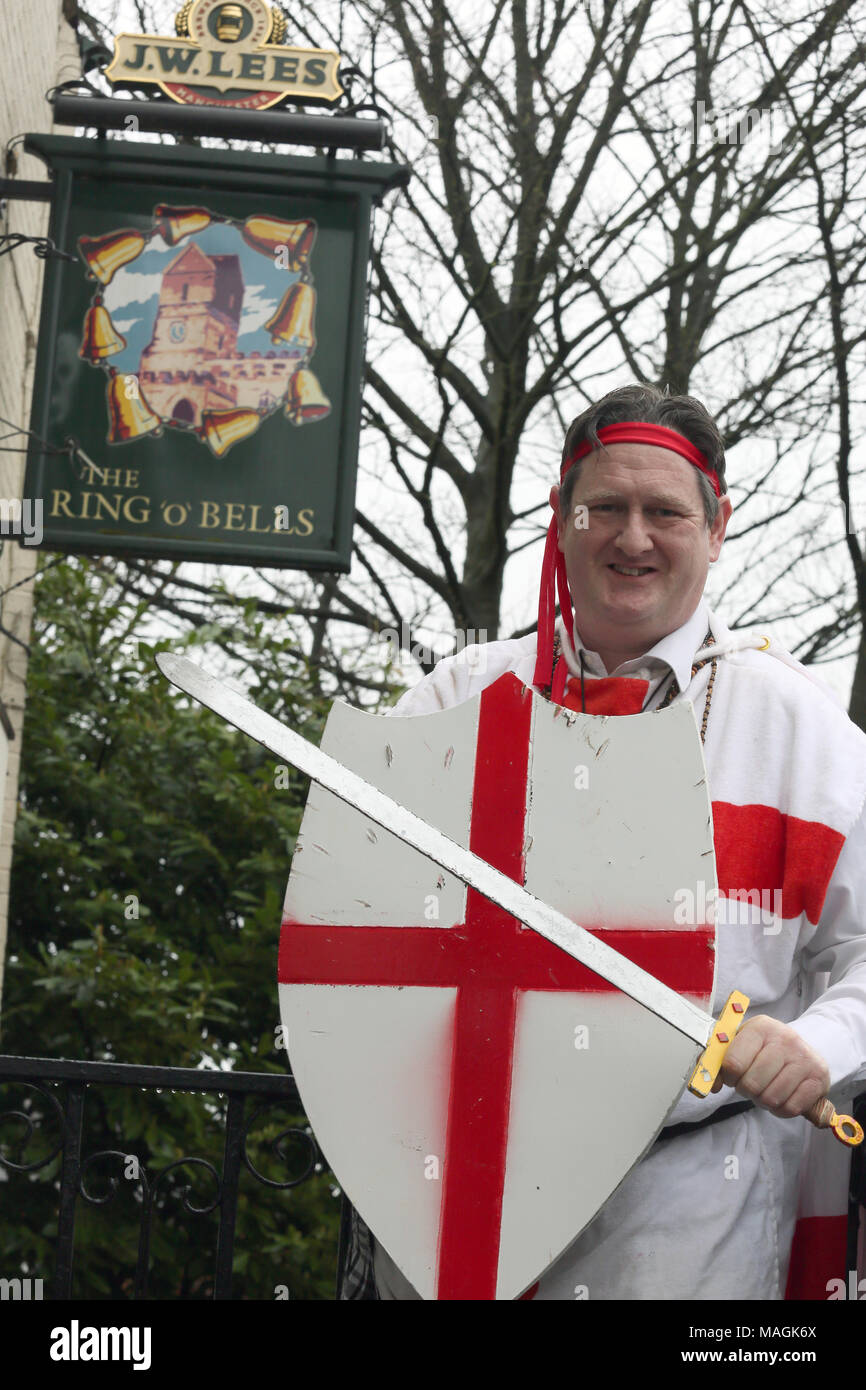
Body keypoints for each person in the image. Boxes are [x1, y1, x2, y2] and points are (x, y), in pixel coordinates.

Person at [336, 382, 866, 1300]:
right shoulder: (457, 701)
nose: (633, 538)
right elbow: (353, 917)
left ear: (716, 525)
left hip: (689, 1209)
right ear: (561, 514)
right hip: (460, 1187)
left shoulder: (802, 732)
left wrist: (820, 1040)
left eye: (664, 511)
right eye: (606, 506)